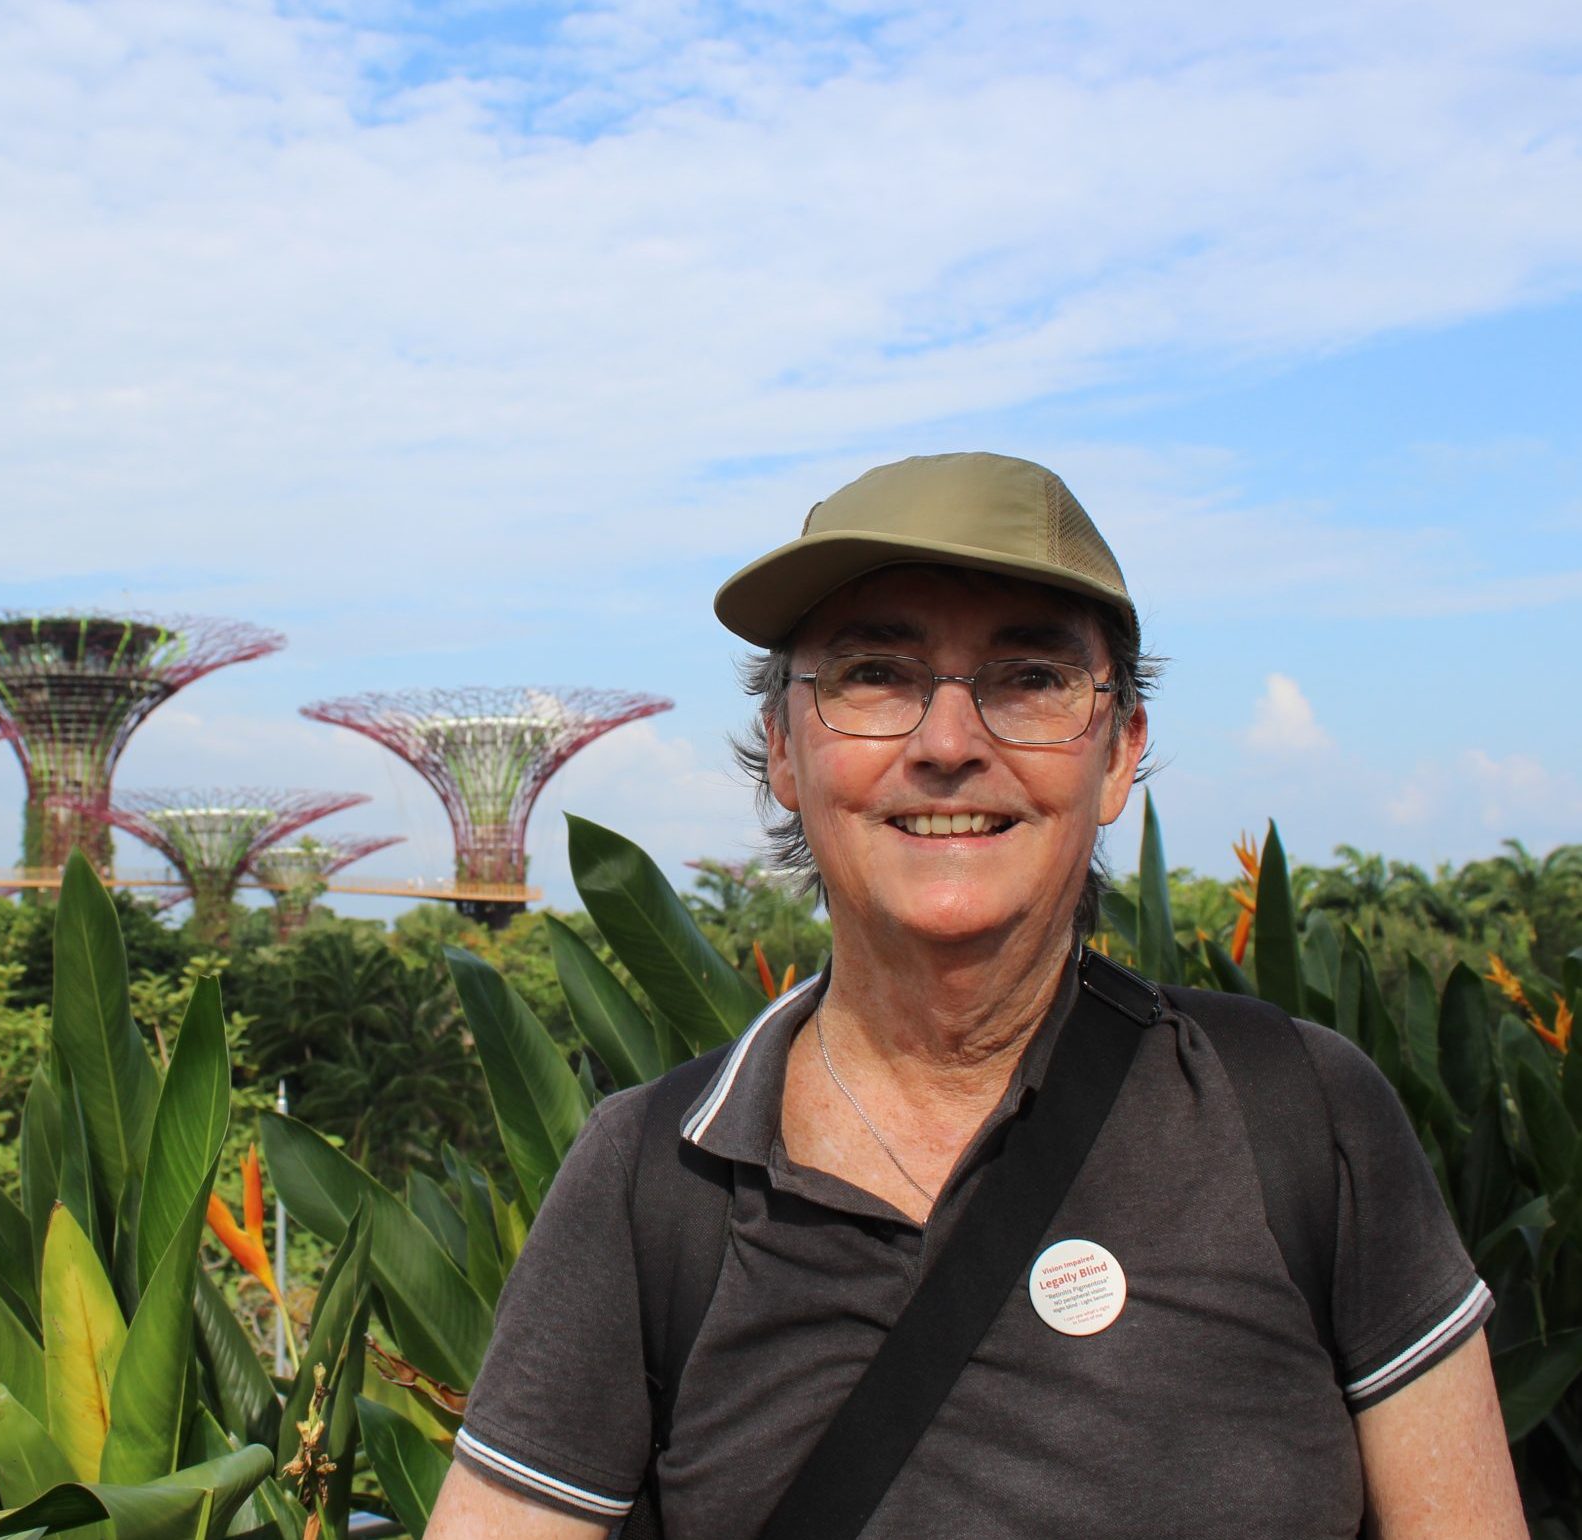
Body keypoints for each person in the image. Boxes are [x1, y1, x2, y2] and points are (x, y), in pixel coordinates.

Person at [427, 453, 1525, 1539]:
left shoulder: (1296, 1114)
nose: (947, 744)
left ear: (1117, 752)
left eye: (1030, 678)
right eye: (873, 674)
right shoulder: (651, 1182)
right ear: (781, 748)